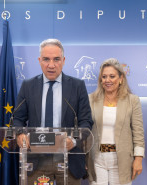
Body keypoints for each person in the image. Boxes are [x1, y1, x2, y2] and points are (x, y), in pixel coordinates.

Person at [13, 38, 93, 185]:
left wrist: (74, 140)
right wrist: (19, 134)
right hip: (36, 159)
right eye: (46, 59)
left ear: (63, 60)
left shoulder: (77, 86)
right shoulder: (28, 86)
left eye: (56, 59)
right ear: (39, 60)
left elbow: (86, 121)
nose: (51, 65)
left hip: (69, 158)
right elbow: (18, 118)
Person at [86, 58, 145, 185]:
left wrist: (138, 159)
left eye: (112, 76)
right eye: (104, 77)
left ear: (121, 79)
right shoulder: (90, 99)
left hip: (122, 160)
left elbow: (138, 133)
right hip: (97, 159)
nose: (107, 80)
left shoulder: (132, 100)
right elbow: (85, 131)